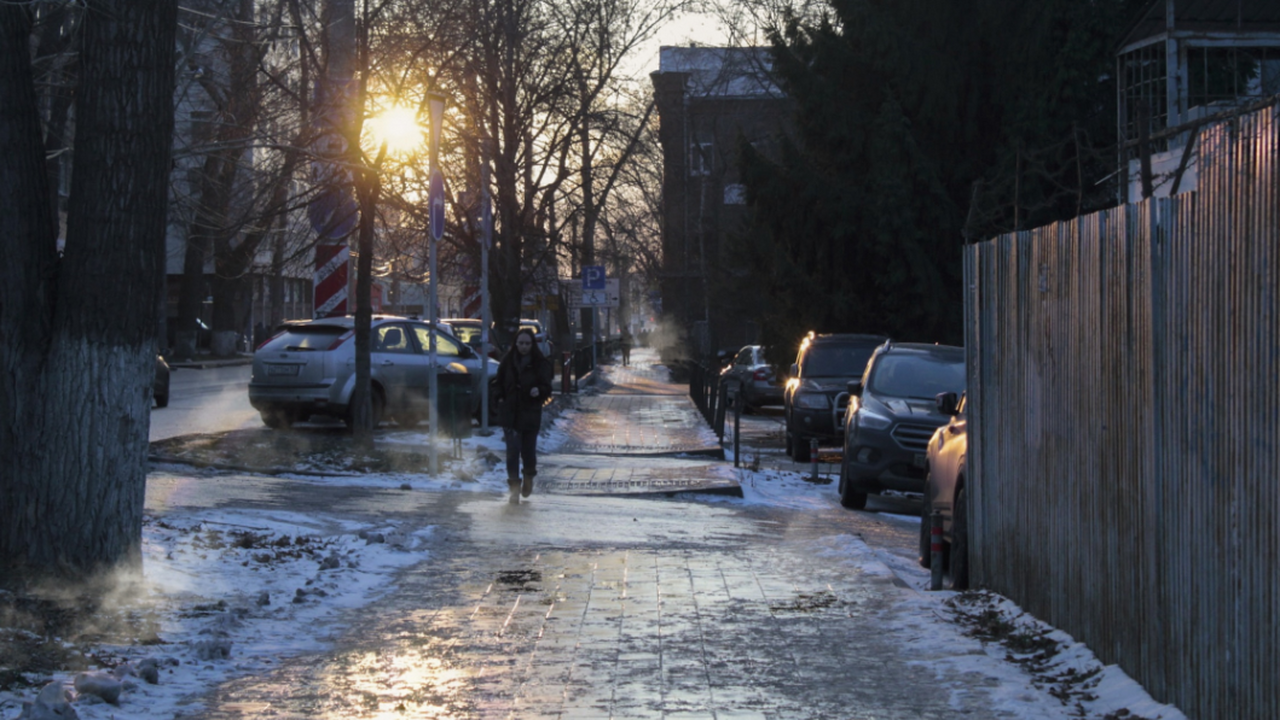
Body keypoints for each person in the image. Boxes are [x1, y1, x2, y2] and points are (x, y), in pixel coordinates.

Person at [495, 327, 554, 498]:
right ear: (516, 343)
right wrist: (499, 397)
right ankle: (514, 488)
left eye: (527, 343)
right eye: (520, 343)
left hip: (530, 413)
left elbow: (547, 387)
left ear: (532, 345)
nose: (524, 347)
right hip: (510, 413)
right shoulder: (507, 361)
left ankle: (528, 476)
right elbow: (498, 383)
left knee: (528, 451)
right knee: (512, 451)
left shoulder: (540, 363)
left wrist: (539, 391)